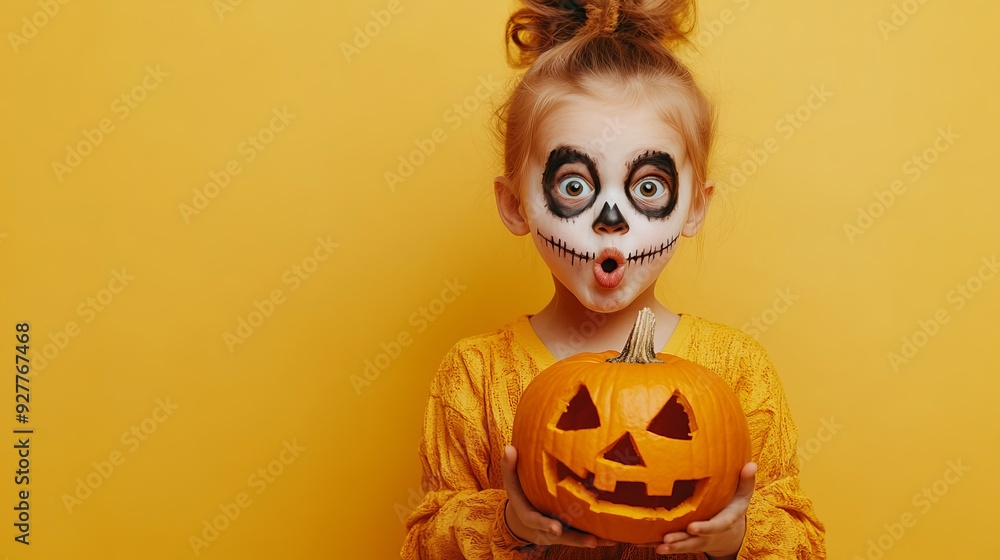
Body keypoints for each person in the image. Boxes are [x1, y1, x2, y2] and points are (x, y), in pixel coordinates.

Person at [401, 0, 826, 557]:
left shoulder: (739, 369)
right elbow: (423, 543)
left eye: (648, 187)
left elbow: (804, 541)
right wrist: (509, 523)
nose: (610, 221)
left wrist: (735, 538)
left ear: (694, 206)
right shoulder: (475, 375)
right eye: (574, 185)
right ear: (514, 204)